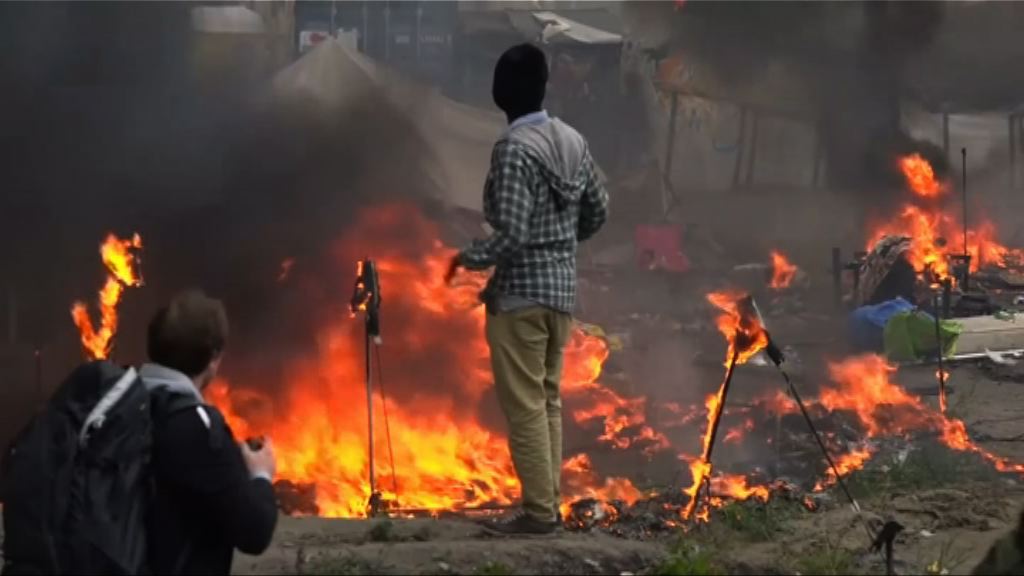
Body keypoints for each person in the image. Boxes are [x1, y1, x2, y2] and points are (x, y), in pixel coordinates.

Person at [445, 43, 609, 535]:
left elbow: (512, 231)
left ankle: (539, 513)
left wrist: (467, 258)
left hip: (519, 299)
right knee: (548, 402)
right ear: (543, 88)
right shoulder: (573, 141)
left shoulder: (515, 149)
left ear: (500, 94)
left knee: (525, 409)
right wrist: (561, 245)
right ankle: (548, 503)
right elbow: (598, 209)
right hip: (561, 297)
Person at [144, 290, 278, 574]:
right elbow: (254, 532)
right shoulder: (197, 426)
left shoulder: (115, 404)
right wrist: (261, 475)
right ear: (214, 356)